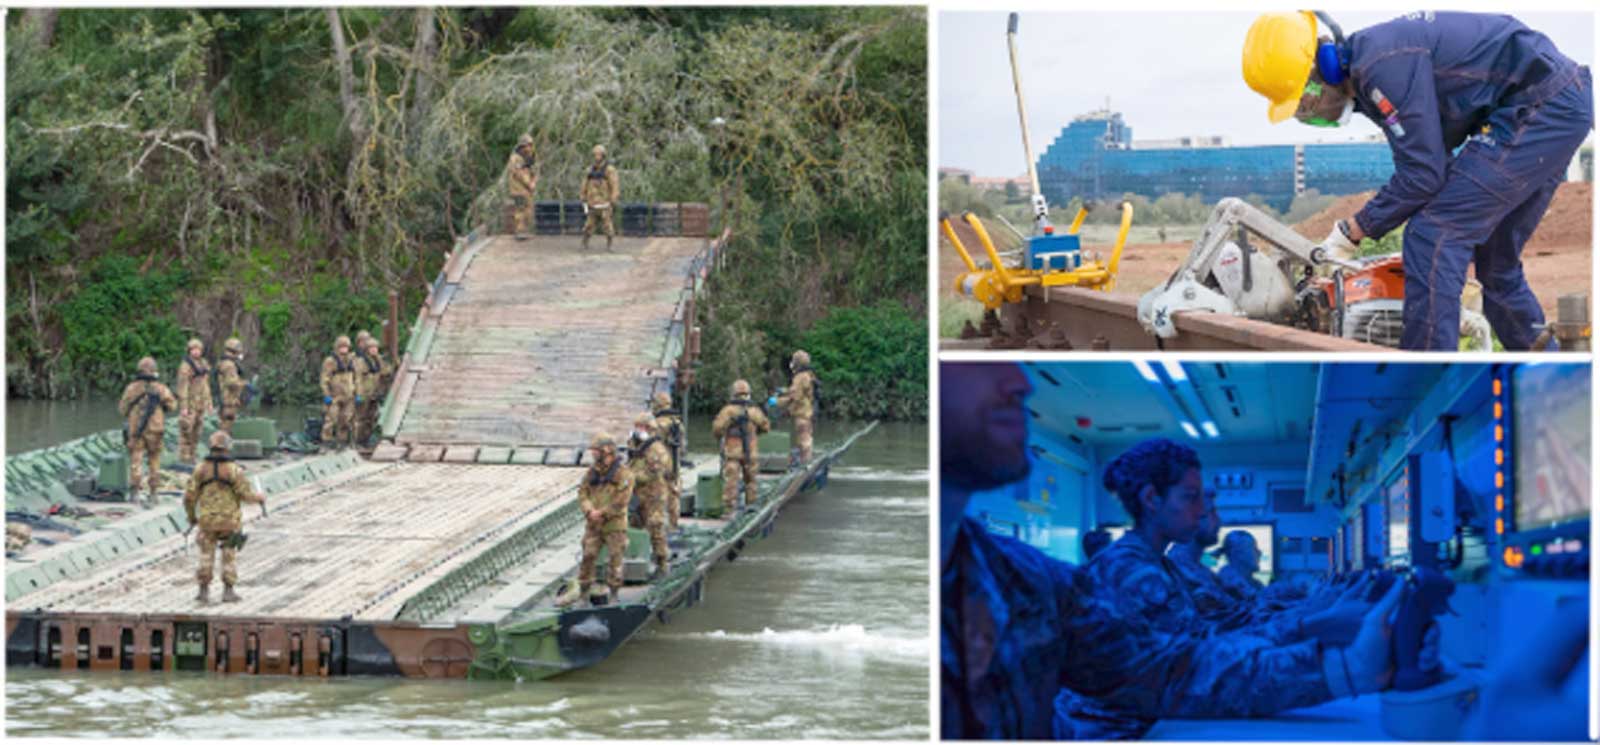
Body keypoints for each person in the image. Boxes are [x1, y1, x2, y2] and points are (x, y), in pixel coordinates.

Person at [941, 362, 1408, 739]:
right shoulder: (1126, 572)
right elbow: (1195, 650)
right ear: (1151, 500)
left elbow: (1168, 666)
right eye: (1192, 499)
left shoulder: (1028, 576)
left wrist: (1345, 664)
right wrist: (1316, 631)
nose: (1020, 382)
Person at [1242, 11, 1593, 350]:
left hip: (1540, 107)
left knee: (1433, 234)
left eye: (1306, 99)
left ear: (1326, 64)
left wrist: (1352, 230)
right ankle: (1545, 362)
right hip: (1555, 105)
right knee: (1496, 261)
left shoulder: (1382, 68)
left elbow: (1424, 174)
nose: (1309, 111)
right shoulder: (1377, 68)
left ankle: (1426, 368)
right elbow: (1432, 164)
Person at [183, 431, 265, 603]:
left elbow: (189, 498)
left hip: (207, 521)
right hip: (230, 521)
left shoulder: (200, 469)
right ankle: (228, 591)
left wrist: (192, 518)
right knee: (229, 554)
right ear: (228, 447)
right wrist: (260, 498)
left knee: (206, 555)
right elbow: (245, 495)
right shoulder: (234, 470)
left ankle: (203, 591)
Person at [560, 433, 632, 607]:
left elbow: (622, 500)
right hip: (593, 524)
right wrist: (589, 510)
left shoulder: (624, 474)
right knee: (588, 557)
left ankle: (614, 594)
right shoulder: (592, 472)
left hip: (614, 524)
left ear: (606, 450)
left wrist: (602, 513)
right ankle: (584, 596)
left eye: (596, 451)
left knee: (615, 559)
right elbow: (582, 493)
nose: (593, 454)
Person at [118, 357, 178, 502]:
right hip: (155, 430)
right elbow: (172, 406)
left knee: (136, 460)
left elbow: (122, 409)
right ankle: (153, 493)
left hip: (136, 430)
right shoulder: (161, 388)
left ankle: (135, 493)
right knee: (154, 461)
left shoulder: (132, 388)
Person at [711, 379, 771, 514]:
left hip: (733, 452)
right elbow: (766, 427)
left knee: (731, 481)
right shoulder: (755, 411)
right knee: (751, 480)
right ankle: (751, 505)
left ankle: (729, 509)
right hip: (751, 452)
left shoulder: (728, 411)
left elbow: (717, 430)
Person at [628, 413, 672, 579]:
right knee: (635, 526)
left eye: (639, 427)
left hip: (654, 494)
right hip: (637, 494)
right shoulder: (636, 444)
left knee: (655, 527)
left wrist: (631, 476)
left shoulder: (656, 449)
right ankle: (637, 563)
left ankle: (662, 564)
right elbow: (631, 462)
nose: (635, 430)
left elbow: (652, 473)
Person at [174, 338, 214, 464]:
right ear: (189, 351)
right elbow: (182, 387)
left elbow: (206, 385)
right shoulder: (186, 366)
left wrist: (209, 403)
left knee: (198, 430)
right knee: (186, 430)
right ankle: (184, 457)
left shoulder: (203, 364)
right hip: (190, 403)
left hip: (201, 402)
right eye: (193, 349)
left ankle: (192, 455)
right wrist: (184, 406)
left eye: (198, 349)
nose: (196, 352)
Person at [775, 349, 818, 465]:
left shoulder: (800, 377)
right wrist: (784, 391)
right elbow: (797, 392)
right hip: (807, 412)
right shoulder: (808, 375)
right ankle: (804, 462)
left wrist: (776, 402)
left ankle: (805, 465)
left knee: (804, 440)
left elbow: (795, 397)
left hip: (801, 413)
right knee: (803, 440)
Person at [650, 391, 684, 531]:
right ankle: (673, 525)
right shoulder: (677, 423)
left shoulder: (656, 425)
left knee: (657, 496)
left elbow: (649, 446)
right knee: (674, 495)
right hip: (674, 463)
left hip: (660, 465)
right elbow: (682, 446)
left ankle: (657, 528)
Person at [319, 335, 357, 449]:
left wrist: (357, 392)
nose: (344, 349)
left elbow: (356, 377)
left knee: (345, 419)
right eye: (342, 346)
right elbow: (324, 379)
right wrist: (327, 395)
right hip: (335, 396)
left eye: (346, 346)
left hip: (349, 395)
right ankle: (326, 442)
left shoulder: (351, 360)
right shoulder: (330, 361)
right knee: (331, 419)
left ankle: (342, 442)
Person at [580, 144, 620, 251]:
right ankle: (585, 243)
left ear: (603, 155)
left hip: (605, 203)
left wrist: (613, 199)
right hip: (592, 203)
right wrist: (583, 196)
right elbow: (584, 184)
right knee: (588, 226)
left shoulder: (609, 170)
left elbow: (614, 185)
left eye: (599, 154)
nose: (597, 157)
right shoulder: (589, 170)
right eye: (595, 155)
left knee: (608, 226)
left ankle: (610, 244)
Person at [353, 336, 390, 445]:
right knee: (360, 419)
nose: (374, 350)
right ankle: (357, 441)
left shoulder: (379, 360)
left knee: (372, 418)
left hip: (375, 393)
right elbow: (357, 378)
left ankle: (366, 440)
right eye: (371, 348)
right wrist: (358, 394)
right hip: (364, 393)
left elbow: (386, 372)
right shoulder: (361, 362)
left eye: (375, 347)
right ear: (367, 349)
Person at [1215, 530, 1267, 602]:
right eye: (1254, 548)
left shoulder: (1256, 583)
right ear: (1238, 553)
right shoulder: (1228, 585)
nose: (1259, 553)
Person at [506, 133, 537, 240]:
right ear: (522, 146)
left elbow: (531, 172)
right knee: (521, 210)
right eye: (528, 145)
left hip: (525, 191)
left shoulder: (524, 159)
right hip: (519, 190)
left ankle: (524, 231)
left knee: (527, 210)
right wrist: (530, 184)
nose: (530, 148)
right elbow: (519, 174)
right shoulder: (516, 159)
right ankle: (520, 232)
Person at [216, 338, 248, 436]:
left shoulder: (225, 362)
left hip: (228, 398)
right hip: (228, 399)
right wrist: (245, 384)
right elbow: (231, 382)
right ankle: (222, 444)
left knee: (227, 422)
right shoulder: (229, 365)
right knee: (227, 422)